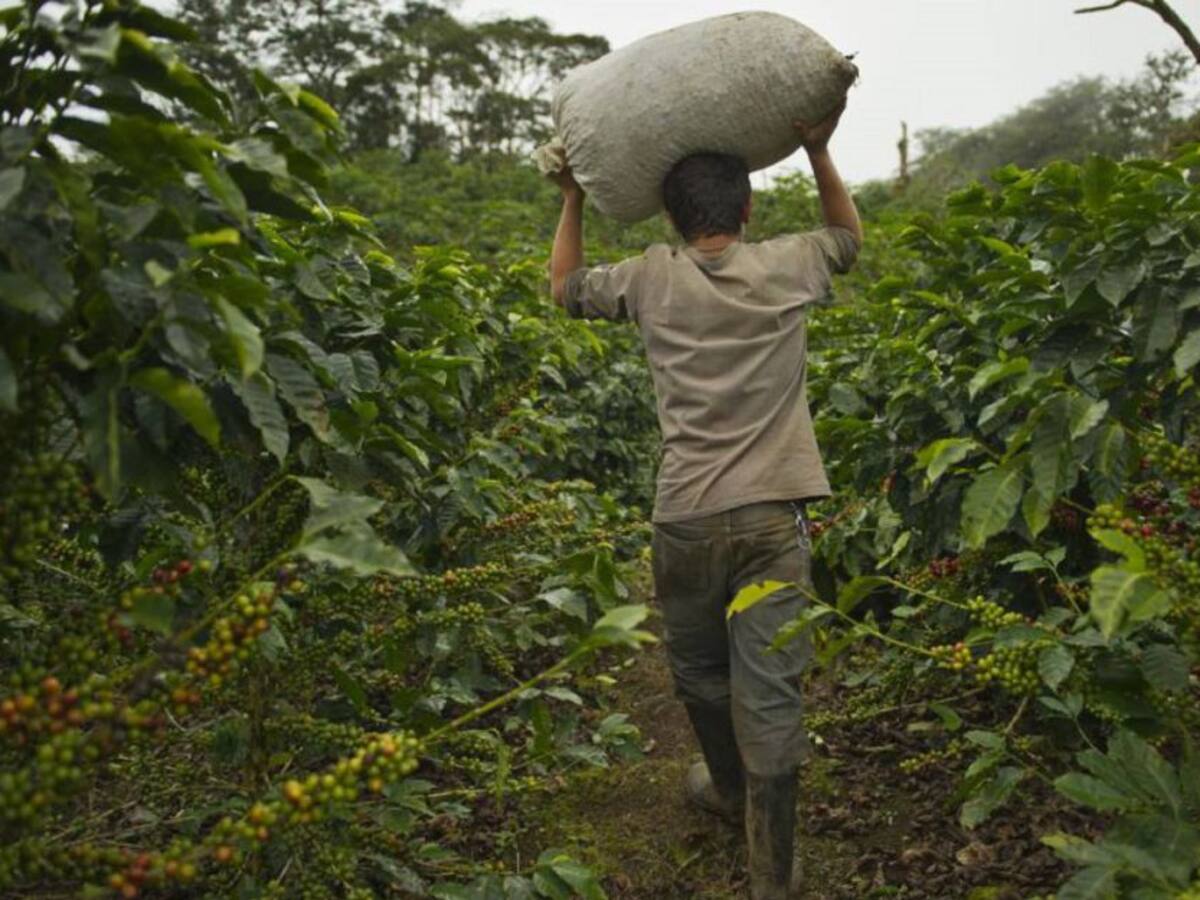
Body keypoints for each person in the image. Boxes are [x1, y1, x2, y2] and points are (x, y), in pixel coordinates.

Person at [546, 100, 862, 900]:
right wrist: (820, 155)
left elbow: (565, 288)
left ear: (672, 216)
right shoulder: (792, 264)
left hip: (684, 516)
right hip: (773, 518)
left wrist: (573, 195)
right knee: (772, 680)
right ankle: (774, 871)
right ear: (748, 209)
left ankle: (726, 786)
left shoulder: (651, 274)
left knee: (697, 671)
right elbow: (850, 240)